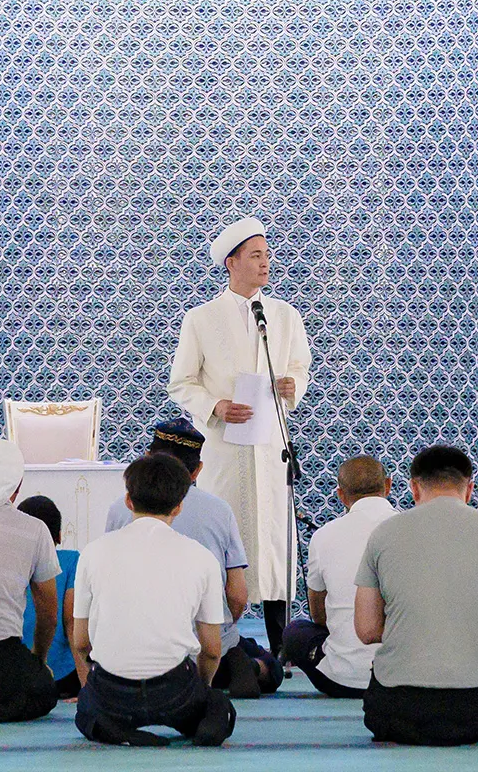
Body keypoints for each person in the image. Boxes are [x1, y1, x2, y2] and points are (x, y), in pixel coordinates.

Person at [167, 216, 313, 654]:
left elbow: (300, 367)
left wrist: (291, 385)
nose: (265, 263)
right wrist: (216, 406)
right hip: (225, 449)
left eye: (267, 255)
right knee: (224, 538)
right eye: (255, 256)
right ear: (231, 263)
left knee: (274, 544)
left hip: (271, 448)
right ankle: (217, 642)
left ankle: (279, 645)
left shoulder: (284, 315)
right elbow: (181, 382)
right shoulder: (201, 318)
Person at [355, 446, 478, 745]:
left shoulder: (383, 534)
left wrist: (414, 634)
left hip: (399, 711)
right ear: (469, 488)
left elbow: (367, 630)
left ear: (414, 487)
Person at [105, 418, 280, 699]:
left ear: (146, 458)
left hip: (134, 655)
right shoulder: (218, 510)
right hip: (206, 649)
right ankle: (244, 666)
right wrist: (221, 630)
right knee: (268, 665)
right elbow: (237, 595)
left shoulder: (117, 510)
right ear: (197, 470)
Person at [74, 454, 236, 746]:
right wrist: (202, 691)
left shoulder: (93, 552)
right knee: (218, 706)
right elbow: (212, 650)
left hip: (112, 692)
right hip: (174, 690)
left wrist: (101, 677)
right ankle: (205, 728)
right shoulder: (201, 557)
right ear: (179, 506)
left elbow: (81, 642)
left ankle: (111, 727)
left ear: (128, 501)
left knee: (86, 709)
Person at [282, 456, 397, 697]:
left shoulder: (324, 536)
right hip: (401, 680)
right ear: (388, 485)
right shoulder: (412, 530)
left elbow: (318, 615)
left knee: (295, 631)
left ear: (341, 495)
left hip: (341, 680)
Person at [0, 440, 60, 722]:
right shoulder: (34, 530)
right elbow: (48, 613)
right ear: (18, 486)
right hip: (4, 656)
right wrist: (38, 661)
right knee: (41, 690)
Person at [18, 496, 83, 699]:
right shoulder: (72, 560)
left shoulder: (11, 565)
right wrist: (86, 688)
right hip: (65, 677)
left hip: (17, 673)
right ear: (59, 536)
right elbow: (72, 622)